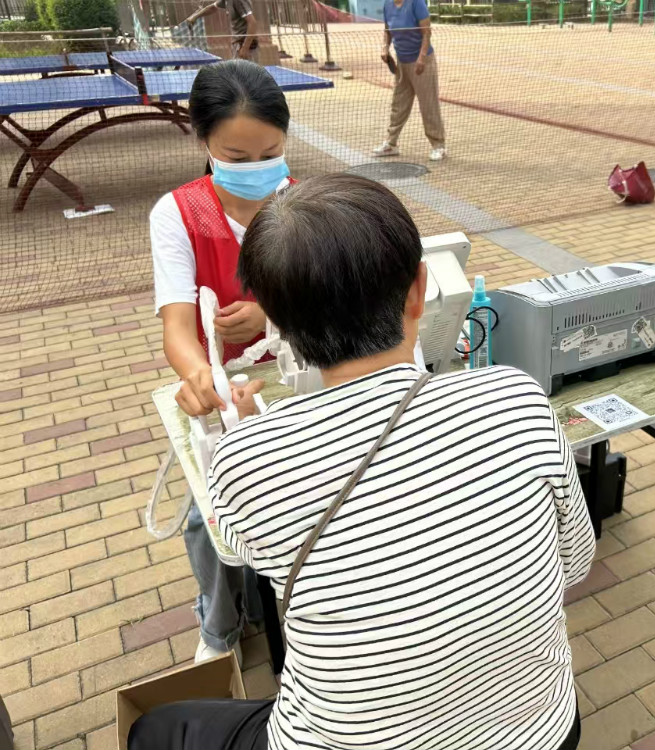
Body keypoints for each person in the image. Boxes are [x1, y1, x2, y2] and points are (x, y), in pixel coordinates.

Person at [128, 174, 595, 750]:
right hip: (543, 731)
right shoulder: (517, 398)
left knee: (155, 729)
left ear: (276, 323)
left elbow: (254, 554)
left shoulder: (245, 458)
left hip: (350, 740)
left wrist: (247, 430)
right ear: (419, 290)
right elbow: (575, 563)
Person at [150, 59, 294, 664]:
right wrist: (197, 375)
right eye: (237, 156)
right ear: (204, 142)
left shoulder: (303, 204)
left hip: (297, 374)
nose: (258, 168)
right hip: (224, 388)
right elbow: (177, 324)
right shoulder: (178, 214)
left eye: (272, 153)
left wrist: (270, 314)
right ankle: (220, 625)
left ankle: (302, 609)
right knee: (205, 521)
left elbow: (328, 297)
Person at [372, 0, 446, 161]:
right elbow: (387, 31)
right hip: (402, 62)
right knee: (398, 104)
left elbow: (426, 32)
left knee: (428, 105)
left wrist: (422, 58)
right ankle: (391, 144)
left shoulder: (416, 3)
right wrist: (385, 48)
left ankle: (438, 145)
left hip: (421, 62)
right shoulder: (388, 5)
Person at [185, 0, 259, 61]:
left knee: (244, 73)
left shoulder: (238, 1)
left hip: (246, 46)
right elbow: (212, 8)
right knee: (236, 72)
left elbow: (252, 23)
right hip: (237, 45)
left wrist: (245, 48)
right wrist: (195, 16)